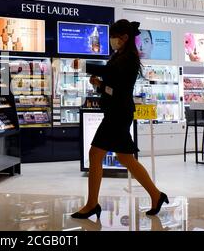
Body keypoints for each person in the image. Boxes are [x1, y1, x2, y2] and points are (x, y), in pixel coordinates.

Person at [71, 19, 168, 219]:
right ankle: (156, 195)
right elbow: (115, 88)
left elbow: (112, 75)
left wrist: (84, 66)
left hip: (118, 114)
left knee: (96, 154)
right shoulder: (120, 55)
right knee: (125, 158)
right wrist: (99, 86)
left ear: (124, 37)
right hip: (117, 111)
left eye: (114, 37)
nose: (112, 41)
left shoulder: (129, 58)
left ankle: (91, 204)